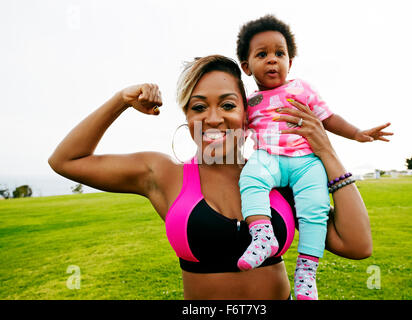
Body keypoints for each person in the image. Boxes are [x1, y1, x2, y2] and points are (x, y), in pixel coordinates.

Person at [48, 54, 372, 300]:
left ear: (247, 115)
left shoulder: (280, 177)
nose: (213, 118)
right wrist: (120, 100)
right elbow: (66, 160)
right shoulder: (163, 175)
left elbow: (357, 246)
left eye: (227, 105)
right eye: (199, 107)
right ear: (187, 118)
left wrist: (327, 151)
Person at [234, 15, 391, 300]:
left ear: (290, 62)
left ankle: (307, 274)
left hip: (307, 163)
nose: (272, 60)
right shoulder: (250, 102)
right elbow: (239, 133)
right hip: (267, 157)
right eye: (262, 54)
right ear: (247, 66)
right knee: (251, 177)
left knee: (315, 211)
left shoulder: (301, 89)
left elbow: (327, 118)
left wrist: (357, 133)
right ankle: (262, 236)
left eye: (279, 53)